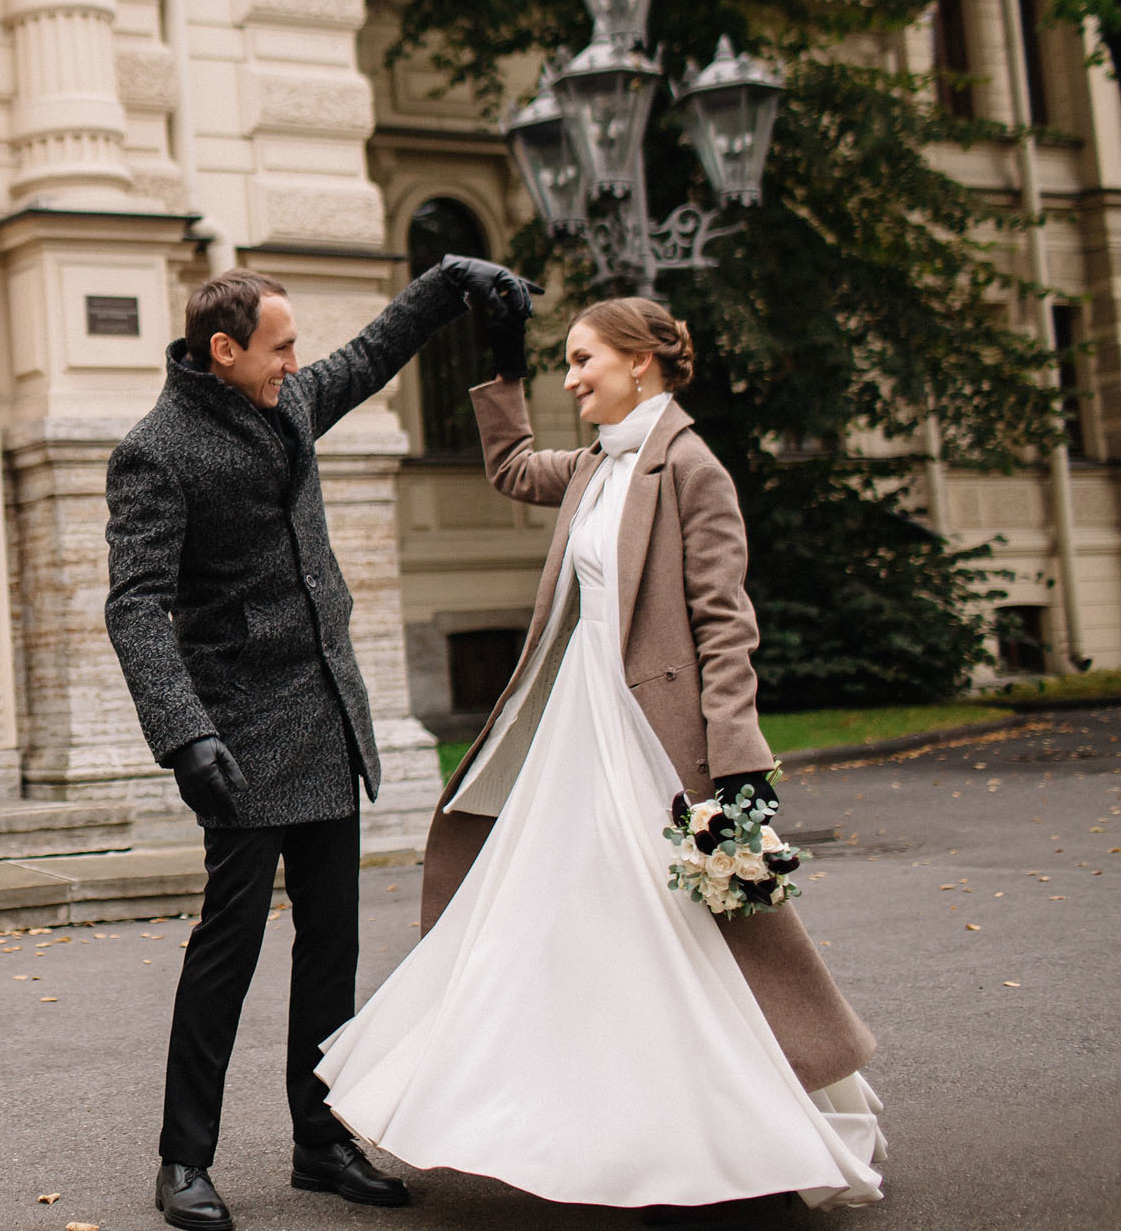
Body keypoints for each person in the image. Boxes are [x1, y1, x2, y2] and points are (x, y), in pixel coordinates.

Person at [317, 296, 886, 1217]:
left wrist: (736, 756)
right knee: (576, 935)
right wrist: (500, 366)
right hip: (576, 735)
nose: (571, 377)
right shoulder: (591, 467)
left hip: (656, 748)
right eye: (566, 362)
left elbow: (724, 626)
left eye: (584, 360)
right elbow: (506, 465)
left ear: (641, 362)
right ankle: (599, 1133)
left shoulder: (690, 468)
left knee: (686, 938)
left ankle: (754, 1141)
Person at [105, 256, 537, 1231]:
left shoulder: (291, 402)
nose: (297, 362)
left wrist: (446, 283)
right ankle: (183, 1159)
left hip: (325, 711)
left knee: (331, 943)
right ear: (225, 351)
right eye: (280, 346)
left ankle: (321, 1137)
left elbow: (374, 354)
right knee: (230, 948)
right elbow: (134, 606)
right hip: (239, 737)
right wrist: (184, 736)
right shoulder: (157, 451)